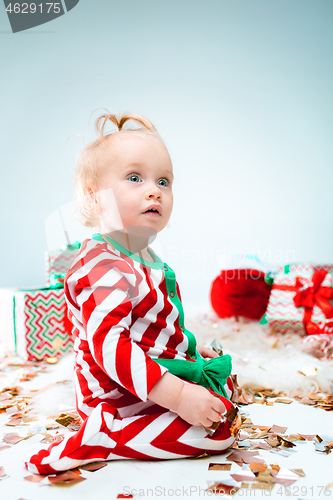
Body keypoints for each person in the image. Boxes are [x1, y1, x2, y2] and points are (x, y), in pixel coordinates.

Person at [26, 113, 238, 474]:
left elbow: (153, 323)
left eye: (164, 181)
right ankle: (106, 436)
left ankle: (178, 398)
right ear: (94, 198)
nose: (154, 190)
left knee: (224, 392)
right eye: (135, 178)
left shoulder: (145, 257)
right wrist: (181, 396)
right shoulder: (101, 266)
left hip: (152, 374)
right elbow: (111, 347)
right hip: (118, 394)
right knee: (217, 434)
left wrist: (186, 347)